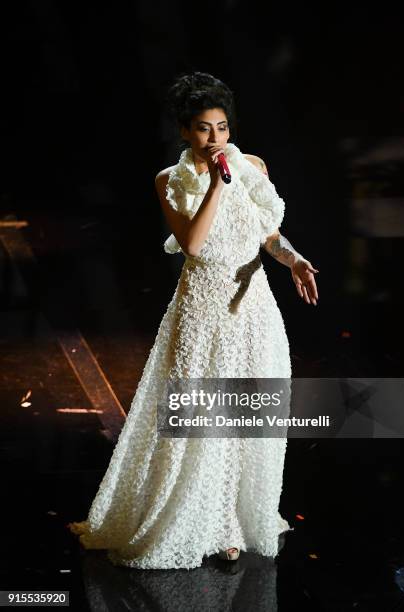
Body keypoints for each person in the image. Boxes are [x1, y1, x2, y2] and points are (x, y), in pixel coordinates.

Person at [67, 71, 319, 570]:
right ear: (185, 131)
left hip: (254, 310)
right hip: (202, 313)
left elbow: (269, 235)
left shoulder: (254, 167)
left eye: (222, 128)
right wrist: (216, 186)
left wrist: (294, 260)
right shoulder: (171, 180)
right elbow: (195, 245)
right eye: (204, 129)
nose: (216, 139)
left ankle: (231, 521)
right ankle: (193, 521)